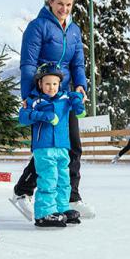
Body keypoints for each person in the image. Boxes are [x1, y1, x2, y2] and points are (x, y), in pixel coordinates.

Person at [10, 0, 95, 221]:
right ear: (51, 2)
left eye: (69, 4)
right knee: (46, 148)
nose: (64, 9)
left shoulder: (75, 30)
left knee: (71, 146)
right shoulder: (37, 27)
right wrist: (28, 96)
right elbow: (28, 63)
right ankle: (23, 191)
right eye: (60, 4)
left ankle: (70, 197)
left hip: (64, 95)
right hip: (43, 94)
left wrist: (80, 85)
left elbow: (78, 63)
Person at [18, 63, 86, 227]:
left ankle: (61, 208)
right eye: (47, 83)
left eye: (55, 83)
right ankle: (44, 212)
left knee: (63, 179)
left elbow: (76, 96)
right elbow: (23, 117)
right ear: (40, 84)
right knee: (48, 178)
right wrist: (44, 116)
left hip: (63, 146)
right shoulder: (34, 100)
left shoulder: (64, 99)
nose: (51, 87)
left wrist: (78, 104)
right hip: (44, 147)